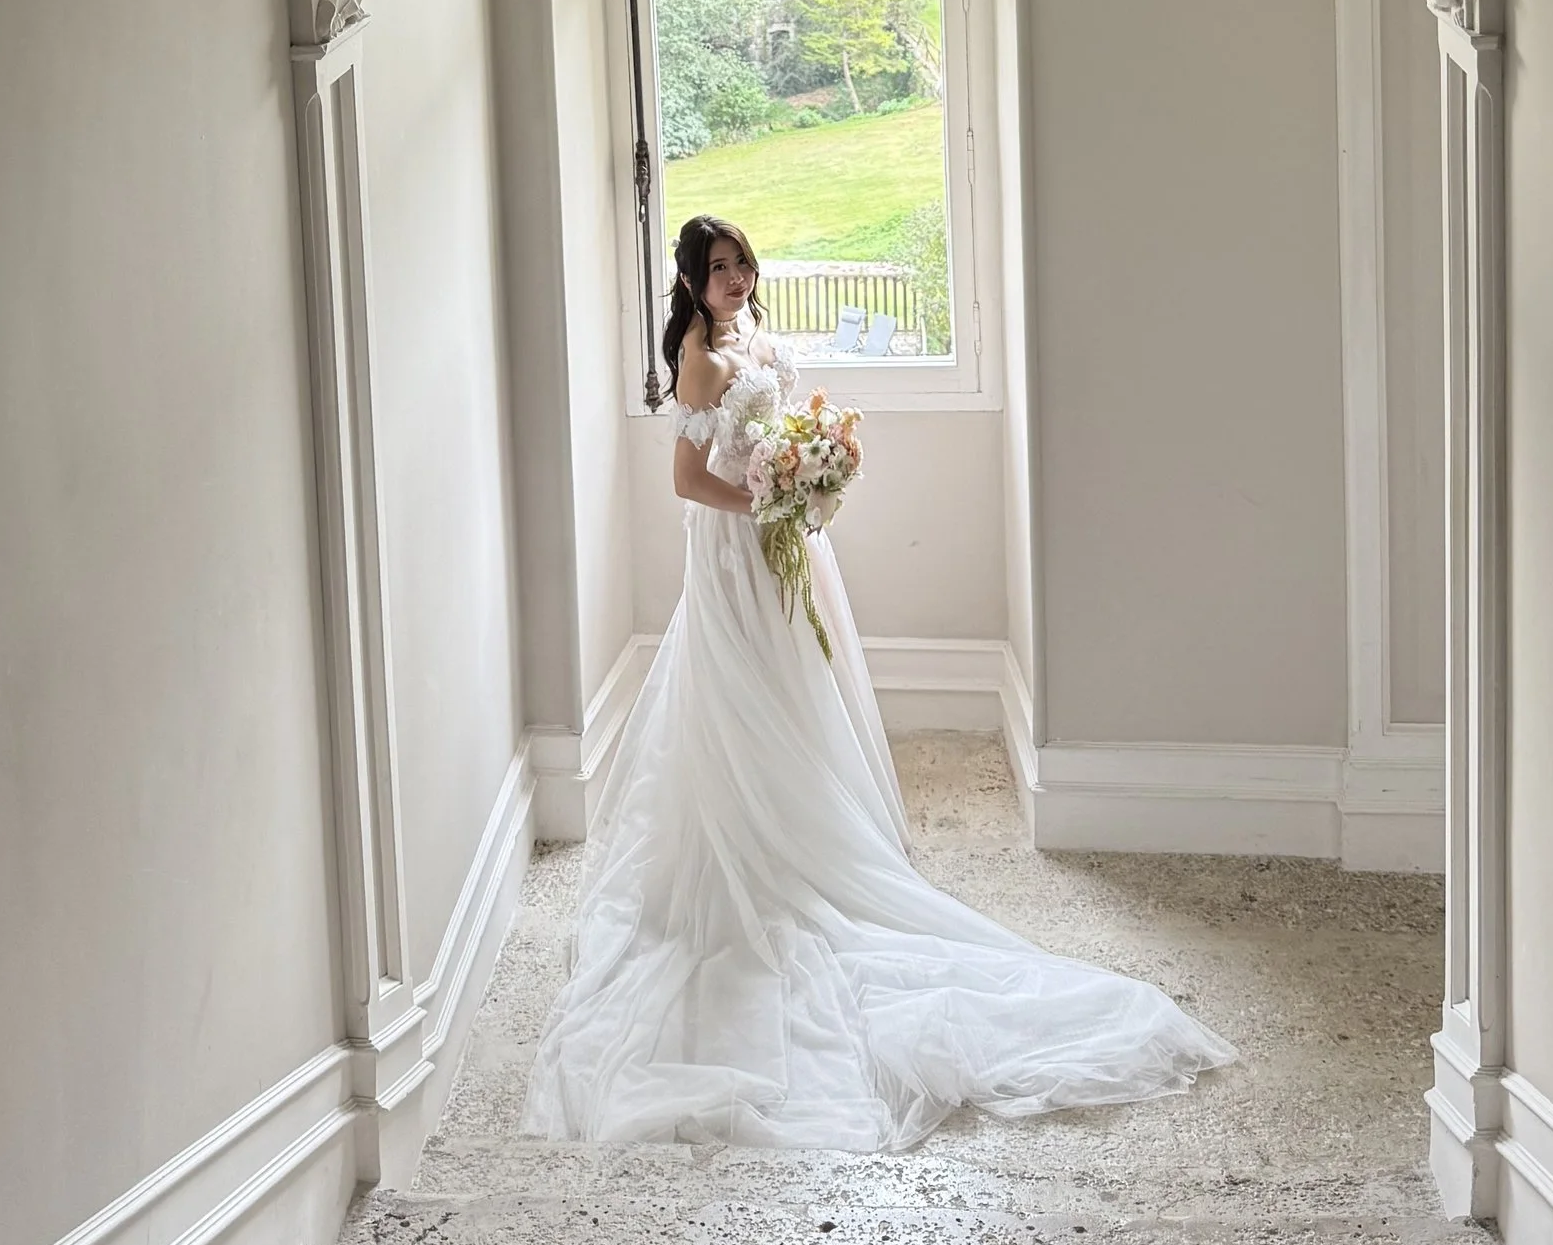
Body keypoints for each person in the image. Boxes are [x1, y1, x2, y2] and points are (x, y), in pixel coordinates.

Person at [523, 213, 1237, 1148]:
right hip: (737, 553)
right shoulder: (702, 361)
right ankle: (764, 848)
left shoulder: (757, 338)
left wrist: (813, 473)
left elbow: (782, 427)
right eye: (718, 267)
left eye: (742, 261)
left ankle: (820, 822)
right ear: (691, 282)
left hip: (786, 542)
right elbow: (689, 482)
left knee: (804, 691)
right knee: (744, 699)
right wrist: (774, 496)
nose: (736, 276)